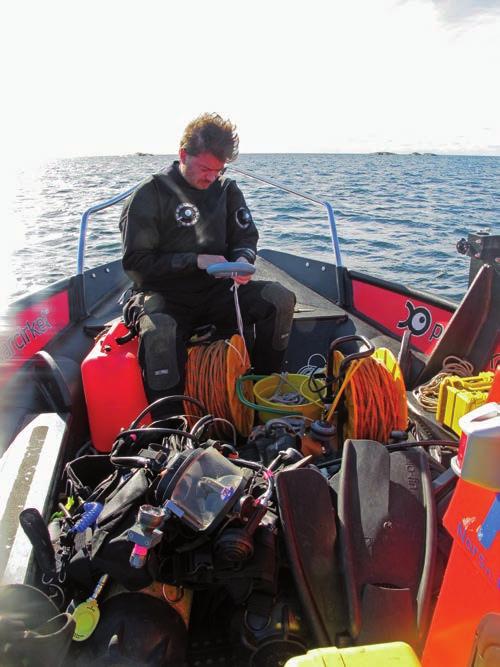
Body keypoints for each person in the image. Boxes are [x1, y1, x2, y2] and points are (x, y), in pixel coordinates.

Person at [119, 113, 296, 410]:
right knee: (159, 330)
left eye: (218, 170)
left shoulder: (226, 190)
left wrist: (242, 260)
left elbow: (246, 238)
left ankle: (264, 391)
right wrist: (195, 260)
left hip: (218, 293)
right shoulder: (150, 195)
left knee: (279, 300)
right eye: (204, 168)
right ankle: (170, 429)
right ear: (183, 155)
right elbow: (137, 265)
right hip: (166, 296)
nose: (211, 177)